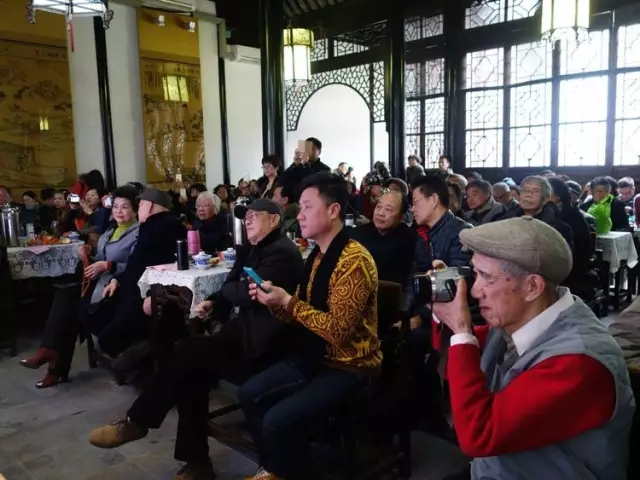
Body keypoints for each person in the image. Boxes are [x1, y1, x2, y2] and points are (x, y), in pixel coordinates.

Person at [88, 199, 304, 480]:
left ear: (274, 220)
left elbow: (247, 294)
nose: (248, 221)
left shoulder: (283, 252)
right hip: (241, 334)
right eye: (246, 216)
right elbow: (230, 287)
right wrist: (216, 302)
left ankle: (140, 422)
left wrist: (233, 292)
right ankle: (195, 462)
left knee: (186, 355)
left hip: (266, 346)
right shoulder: (251, 249)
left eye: (255, 216)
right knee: (188, 363)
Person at [432, 217, 634, 480]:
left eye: (486, 277)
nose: (474, 291)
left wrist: (461, 330)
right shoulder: (521, 319)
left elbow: (479, 435)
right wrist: (446, 309)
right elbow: (461, 365)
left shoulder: (580, 362)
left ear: (532, 287)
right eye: (475, 273)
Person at [240, 173, 382, 480]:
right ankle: (273, 469)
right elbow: (300, 314)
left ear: (333, 210)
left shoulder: (353, 260)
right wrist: (275, 302)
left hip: (349, 365)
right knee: (249, 393)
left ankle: (284, 470)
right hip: (315, 355)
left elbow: (338, 332)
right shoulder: (318, 255)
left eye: (307, 207)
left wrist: (288, 301)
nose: (299, 215)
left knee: (277, 421)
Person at [19, 186, 140, 388]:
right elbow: (100, 258)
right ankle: (49, 354)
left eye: (125, 207)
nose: (119, 211)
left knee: (70, 311)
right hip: (98, 281)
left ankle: (53, 364)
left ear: (135, 210)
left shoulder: (138, 233)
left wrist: (109, 266)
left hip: (117, 286)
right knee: (64, 296)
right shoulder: (111, 229)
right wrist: (89, 254)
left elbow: (137, 265)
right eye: (116, 206)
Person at [95, 189, 187, 358]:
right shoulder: (158, 225)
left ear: (149, 205)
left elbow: (167, 265)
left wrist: (153, 293)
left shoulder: (162, 226)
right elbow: (137, 263)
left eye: (140, 206)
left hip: (144, 296)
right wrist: (118, 279)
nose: (138, 211)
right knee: (95, 315)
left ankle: (135, 355)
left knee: (106, 336)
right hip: (132, 289)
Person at [350, 190, 416, 285]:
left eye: (388, 209)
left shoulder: (408, 239)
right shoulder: (358, 233)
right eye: (379, 207)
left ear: (401, 217)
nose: (380, 213)